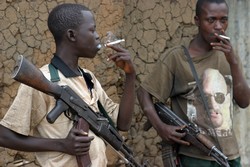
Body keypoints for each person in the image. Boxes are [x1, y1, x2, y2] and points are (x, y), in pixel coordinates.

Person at [0, 3, 135, 167]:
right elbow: (3, 136)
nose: (98, 36)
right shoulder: (43, 81)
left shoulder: (88, 78)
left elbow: (122, 123)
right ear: (72, 35)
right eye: (92, 30)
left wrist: (130, 75)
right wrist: (62, 145)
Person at [137, 0, 250, 166]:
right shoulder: (177, 58)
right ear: (197, 20)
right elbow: (143, 92)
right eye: (211, 20)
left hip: (229, 155)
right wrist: (160, 127)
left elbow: (244, 101)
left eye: (223, 20)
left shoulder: (228, 56)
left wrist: (233, 61)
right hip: (195, 157)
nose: (218, 26)